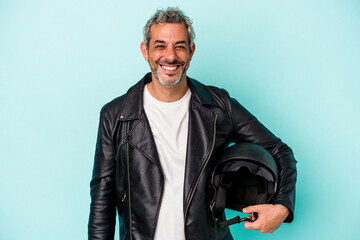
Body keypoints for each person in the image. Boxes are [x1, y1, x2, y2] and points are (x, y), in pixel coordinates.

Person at [88, 7, 297, 240]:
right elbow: (102, 199)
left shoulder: (220, 107)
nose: (170, 56)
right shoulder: (116, 115)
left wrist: (281, 208)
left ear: (191, 51)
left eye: (180, 46)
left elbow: (280, 151)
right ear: (145, 51)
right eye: (160, 46)